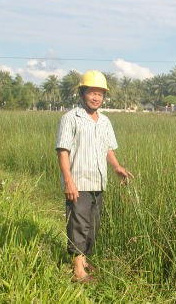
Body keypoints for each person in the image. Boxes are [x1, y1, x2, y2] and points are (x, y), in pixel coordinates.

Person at [55, 70, 134, 283]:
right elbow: (63, 151)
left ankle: (83, 259)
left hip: (99, 182)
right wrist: (68, 180)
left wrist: (117, 167)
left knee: (93, 223)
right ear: (82, 93)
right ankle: (78, 271)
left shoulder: (105, 122)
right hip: (78, 182)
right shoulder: (71, 118)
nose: (96, 97)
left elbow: (108, 149)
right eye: (92, 92)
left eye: (100, 94)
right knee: (78, 223)